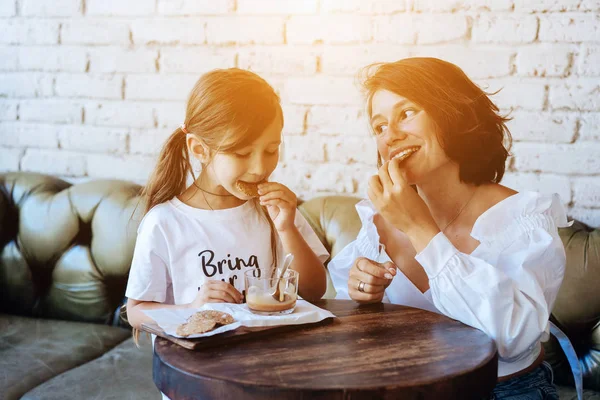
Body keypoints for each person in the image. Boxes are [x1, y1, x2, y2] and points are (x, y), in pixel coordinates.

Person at [328, 57, 572, 400]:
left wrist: (420, 230)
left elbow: (511, 338)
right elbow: (347, 324)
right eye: (379, 127)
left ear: (453, 115)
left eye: (406, 113)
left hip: (502, 391)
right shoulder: (377, 221)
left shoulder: (523, 218)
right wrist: (361, 293)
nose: (391, 136)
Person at [125, 68, 329, 360]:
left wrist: (287, 229)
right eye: (242, 153)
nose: (260, 167)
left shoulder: (275, 211)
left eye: (271, 149)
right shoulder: (165, 222)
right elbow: (137, 312)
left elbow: (313, 291)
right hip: (199, 376)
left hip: (269, 368)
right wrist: (192, 308)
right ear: (200, 149)